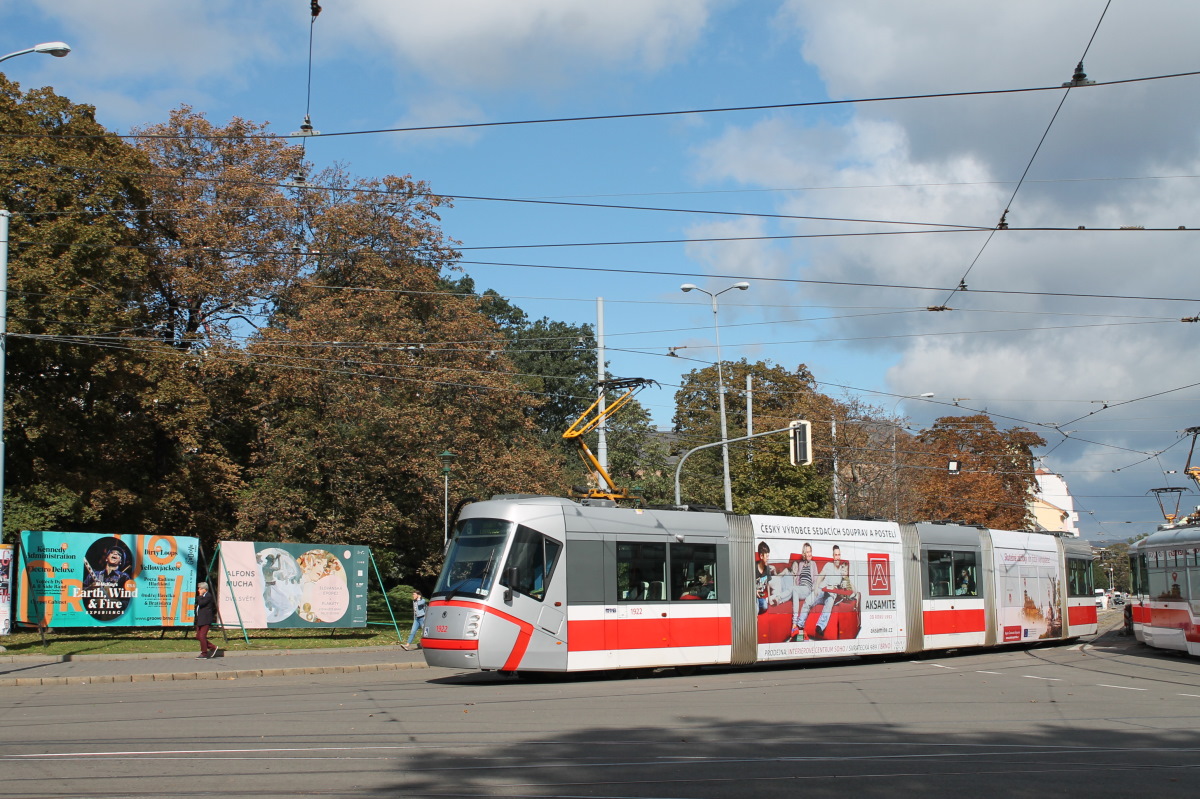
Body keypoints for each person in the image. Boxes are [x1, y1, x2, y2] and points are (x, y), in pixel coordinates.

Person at [770, 543, 819, 642]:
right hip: (800, 588)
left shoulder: (813, 564)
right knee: (794, 590)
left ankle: (778, 598)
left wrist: (814, 590)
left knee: (794, 589)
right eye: (807, 552)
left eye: (810, 551)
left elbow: (816, 579)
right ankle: (794, 625)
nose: (809, 554)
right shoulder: (801, 564)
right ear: (804, 553)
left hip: (808, 588)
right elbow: (797, 579)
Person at [796, 545, 845, 640]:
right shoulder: (828, 565)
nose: (837, 557)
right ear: (833, 556)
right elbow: (820, 577)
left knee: (830, 601)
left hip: (831, 594)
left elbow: (844, 587)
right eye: (836, 555)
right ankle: (799, 625)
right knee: (808, 600)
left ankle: (820, 626)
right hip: (822, 590)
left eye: (839, 555)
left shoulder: (842, 570)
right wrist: (816, 588)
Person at [194, 582, 218, 659]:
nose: (198, 590)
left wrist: (200, 595)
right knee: (198, 636)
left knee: (202, 636)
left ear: (205, 589)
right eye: (198, 588)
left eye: (200, 589)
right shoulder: (203, 596)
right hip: (200, 620)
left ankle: (204, 653)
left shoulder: (208, 596)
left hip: (206, 619)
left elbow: (201, 603)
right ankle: (213, 647)